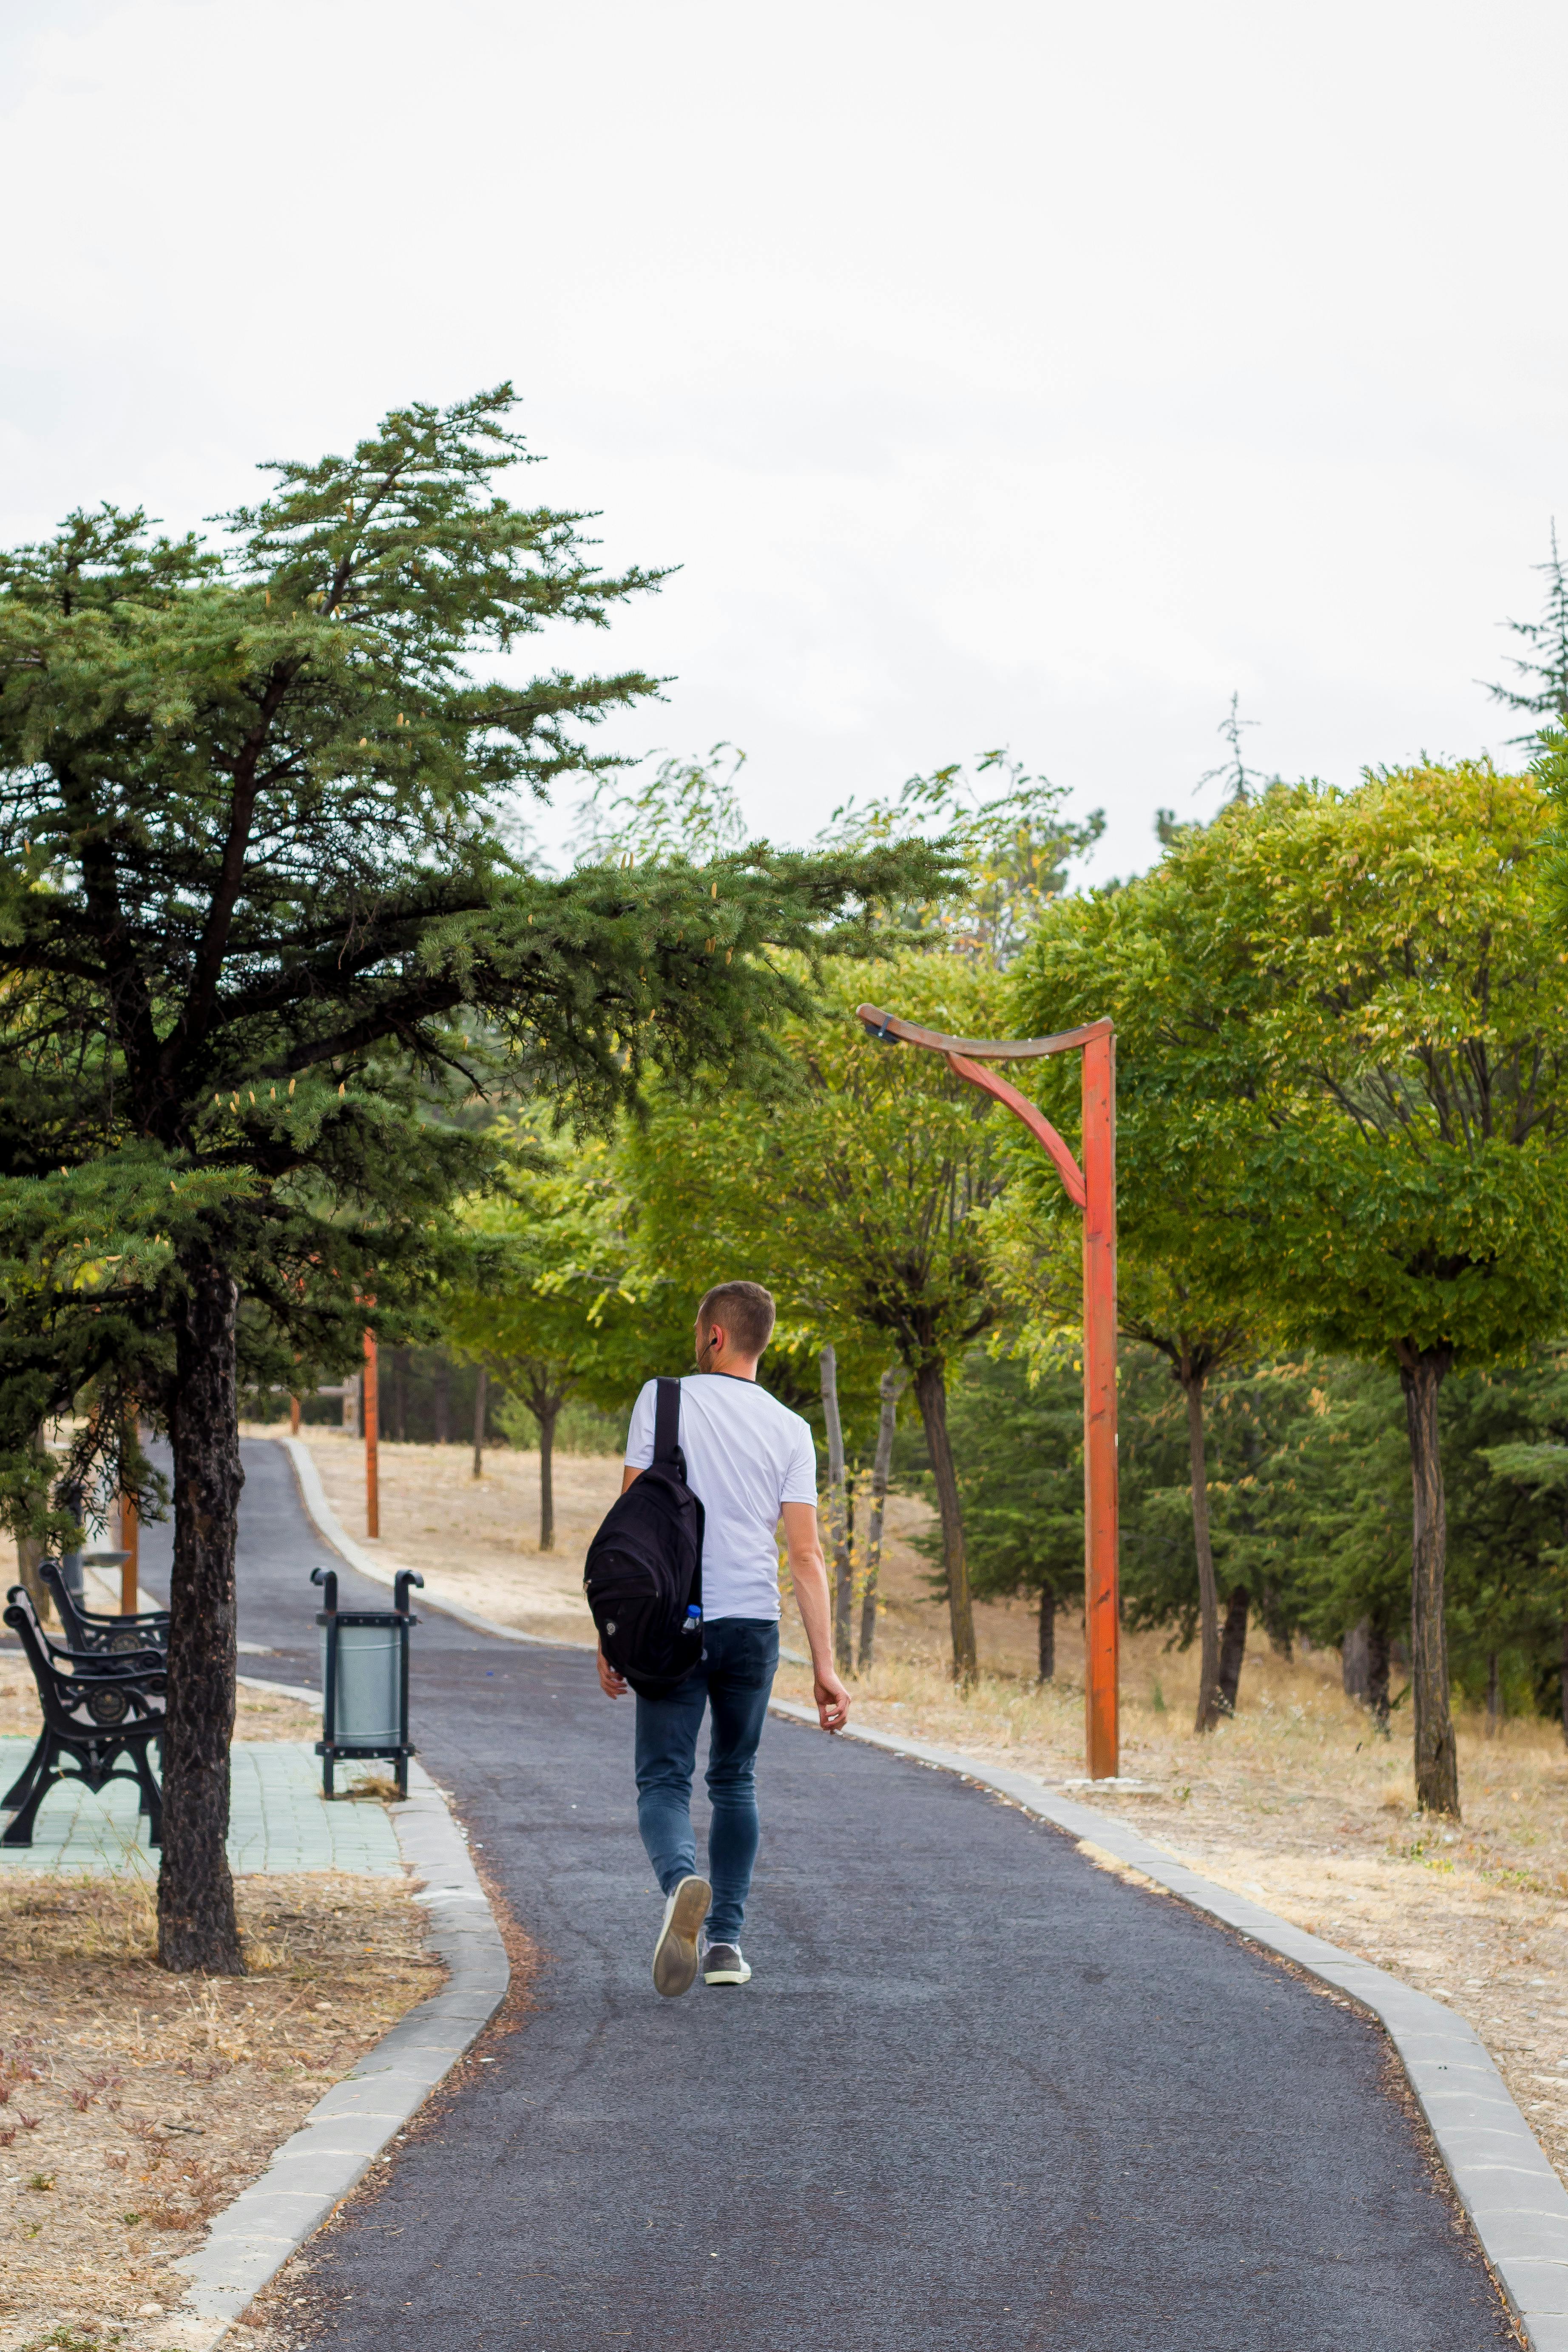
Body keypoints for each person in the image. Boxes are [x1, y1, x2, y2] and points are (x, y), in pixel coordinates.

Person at [598, 1279, 851, 1997]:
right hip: (753, 1625)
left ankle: (684, 1883)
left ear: (714, 1336)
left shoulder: (664, 1398)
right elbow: (806, 1556)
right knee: (735, 1778)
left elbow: (629, 1531)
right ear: (761, 1341)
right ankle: (725, 1947)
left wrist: (611, 1631)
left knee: (663, 1778)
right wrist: (826, 1666)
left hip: (673, 1617)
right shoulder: (792, 1430)